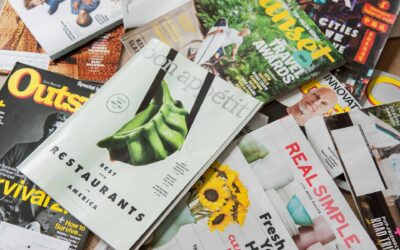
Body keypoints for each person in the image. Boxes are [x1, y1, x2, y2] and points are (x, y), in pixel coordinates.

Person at [0, 112, 68, 231]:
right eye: (52, 128)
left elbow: (58, 199)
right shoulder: (19, 149)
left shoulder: (64, 165)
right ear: (45, 129)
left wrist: (38, 223)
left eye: (59, 130)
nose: (54, 133)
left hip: (28, 221)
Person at [260, 87, 338, 126]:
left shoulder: (306, 139)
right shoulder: (269, 103)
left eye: (323, 103)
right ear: (307, 93)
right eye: (316, 96)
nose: (315, 102)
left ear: (324, 113)